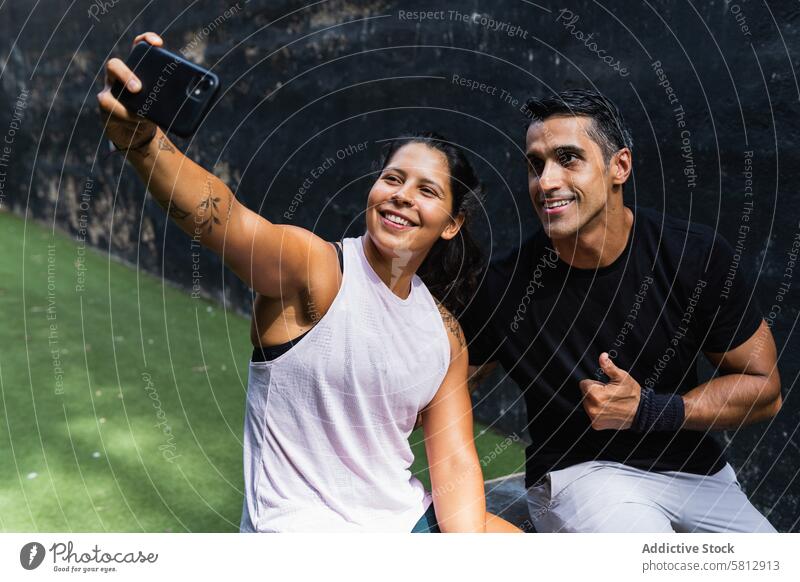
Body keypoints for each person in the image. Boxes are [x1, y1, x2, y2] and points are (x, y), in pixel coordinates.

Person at [97, 32, 520, 533]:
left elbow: (453, 463)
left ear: (450, 224)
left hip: (402, 522)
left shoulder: (445, 335)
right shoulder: (316, 270)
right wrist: (144, 145)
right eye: (392, 178)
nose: (403, 195)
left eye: (426, 190)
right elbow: (225, 219)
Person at [462, 88, 782, 533]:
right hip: (584, 477)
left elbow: (764, 388)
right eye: (535, 165)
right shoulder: (503, 286)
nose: (546, 181)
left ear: (620, 166)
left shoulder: (694, 255)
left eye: (568, 158)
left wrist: (650, 411)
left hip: (699, 477)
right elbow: (437, 392)